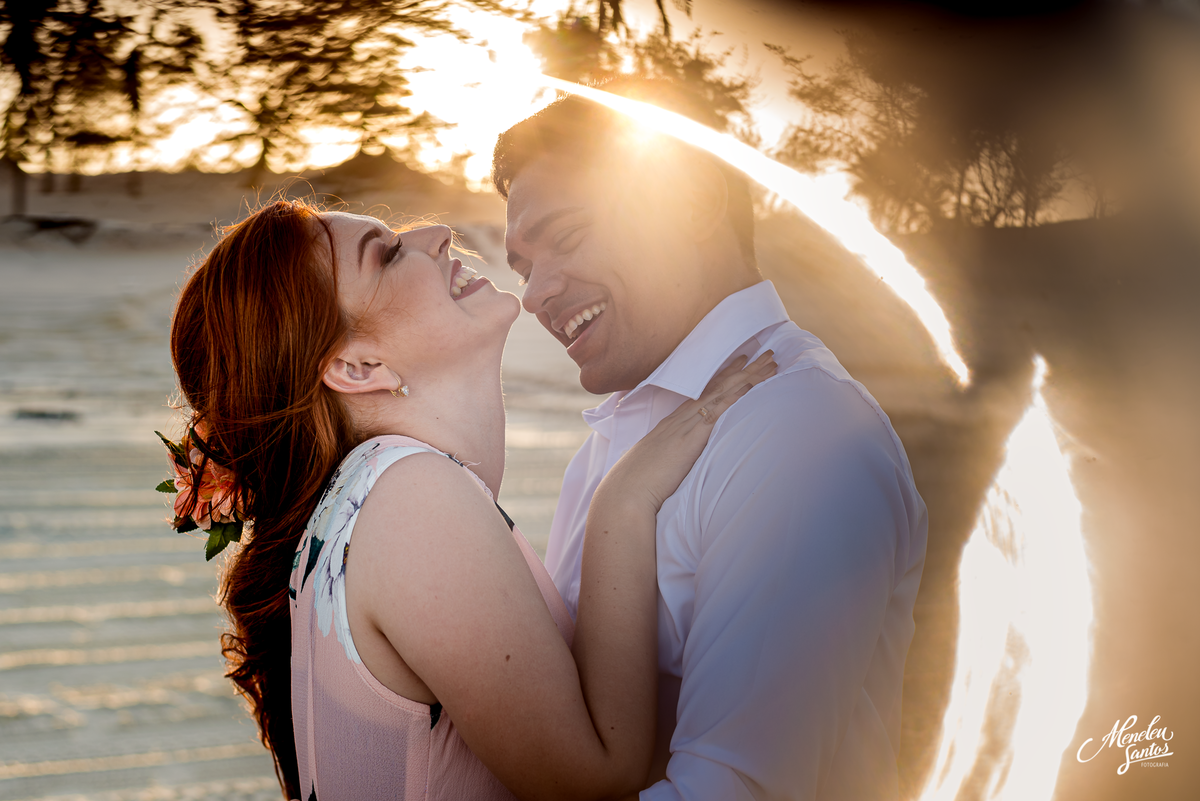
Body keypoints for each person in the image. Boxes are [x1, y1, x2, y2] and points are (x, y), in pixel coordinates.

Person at [167, 199, 776, 800]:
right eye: (387, 254)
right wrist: (624, 502)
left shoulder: (360, 504)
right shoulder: (404, 497)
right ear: (358, 366)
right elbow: (597, 776)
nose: (435, 232)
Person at [493, 84, 929, 800]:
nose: (534, 293)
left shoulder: (797, 429)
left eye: (567, 238)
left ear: (693, 202)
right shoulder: (614, 443)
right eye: (522, 266)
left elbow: (732, 790)